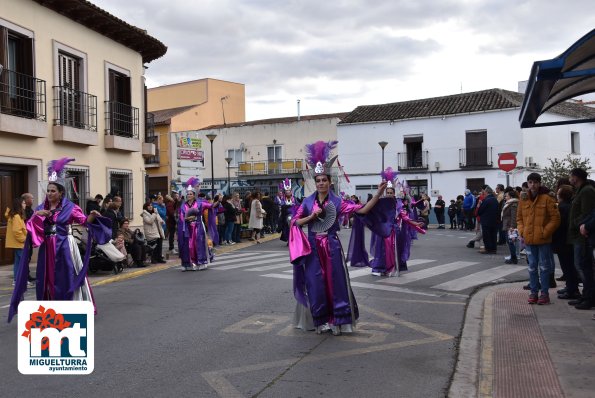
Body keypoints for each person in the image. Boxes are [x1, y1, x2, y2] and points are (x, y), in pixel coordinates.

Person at [289, 140, 390, 335]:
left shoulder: (338, 202)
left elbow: (361, 210)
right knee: (315, 283)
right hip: (313, 248)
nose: (321, 183)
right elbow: (294, 222)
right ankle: (321, 320)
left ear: (330, 182)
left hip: (332, 246)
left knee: (336, 282)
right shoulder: (307, 202)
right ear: (314, 182)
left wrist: (377, 194)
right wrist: (311, 217)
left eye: (324, 180)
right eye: (318, 180)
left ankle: (338, 319)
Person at [9, 158, 110, 322]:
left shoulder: (70, 207)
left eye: (53, 191)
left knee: (65, 276)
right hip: (47, 248)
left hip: (65, 246)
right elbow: (30, 228)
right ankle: (50, 310)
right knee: (46, 278)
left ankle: (71, 309)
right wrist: (36, 216)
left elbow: (84, 221)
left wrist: (91, 216)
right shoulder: (41, 208)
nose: (49, 193)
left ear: (61, 193)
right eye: (48, 190)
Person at [516, 172, 560, 305]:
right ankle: (533, 292)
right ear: (528, 184)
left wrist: (545, 232)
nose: (533, 185)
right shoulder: (523, 199)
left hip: (543, 240)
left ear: (539, 183)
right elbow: (519, 218)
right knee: (532, 267)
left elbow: (555, 218)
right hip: (529, 240)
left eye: (535, 182)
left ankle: (544, 294)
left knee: (545, 267)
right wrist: (522, 231)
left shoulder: (547, 198)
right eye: (530, 182)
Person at [567, 168, 595, 310]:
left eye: (570, 176)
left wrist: (577, 223)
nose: (569, 178)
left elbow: (587, 212)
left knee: (583, 266)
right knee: (580, 265)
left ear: (576, 177)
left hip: (583, 234)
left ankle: (589, 297)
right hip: (578, 233)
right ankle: (586, 295)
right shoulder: (580, 190)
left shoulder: (587, 191)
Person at [177, 177, 219, 271]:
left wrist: (218, 201)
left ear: (194, 194)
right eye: (188, 194)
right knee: (188, 246)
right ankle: (188, 264)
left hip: (198, 227)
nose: (189, 195)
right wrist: (186, 219)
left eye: (191, 194)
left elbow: (211, 206)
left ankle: (200, 262)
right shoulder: (183, 205)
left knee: (198, 245)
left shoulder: (200, 203)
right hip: (187, 228)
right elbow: (181, 217)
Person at [553, 185, 580, 300]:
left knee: (567, 266)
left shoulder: (562, 207)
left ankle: (572, 290)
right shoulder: (570, 205)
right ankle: (570, 287)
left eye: (558, 193)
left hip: (563, 241)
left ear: (561, 195)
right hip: (569, 240)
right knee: (569, 266)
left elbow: (560, 225)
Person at [5, 197, 28, 286]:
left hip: (17, 244)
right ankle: (21, 281)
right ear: (19, 205)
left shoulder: (14, 215)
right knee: (22, 263)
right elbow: (17, 231)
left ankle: (17, 280)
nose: (25, 205)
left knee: (18, 263)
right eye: (23, 203)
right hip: (19, 244)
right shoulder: (17, 216)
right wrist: (24, 240)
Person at [477, 186, 499, 254]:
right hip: (494, 220)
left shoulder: (486, 200)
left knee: (487, 236)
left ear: (486, 192)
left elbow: (480, 211)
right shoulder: (495, 199)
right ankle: (493, 249)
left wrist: (479, 205)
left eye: (484, 192)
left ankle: (488, 249)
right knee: (493, 235)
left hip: (486, 221)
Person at [501, 190, 519, 264]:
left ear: (511, 197)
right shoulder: (509, 203)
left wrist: (512, 226)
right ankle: (513, 257)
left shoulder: (513, 204)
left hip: (510, 225)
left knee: (510, 241)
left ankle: (514, 258)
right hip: (507, 224)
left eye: (506, 196)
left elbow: (514, 216)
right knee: (510, 242)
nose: (505, 197)